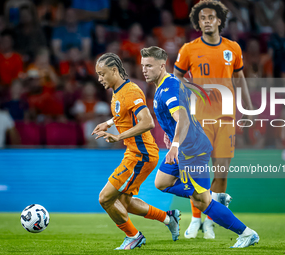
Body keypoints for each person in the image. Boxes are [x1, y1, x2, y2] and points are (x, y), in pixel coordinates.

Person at [140, 46, 259, 248]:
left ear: (162, 65)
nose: (144, 70)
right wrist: (171, 135)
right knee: (161, 182)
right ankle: (211, 194)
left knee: (201, 203)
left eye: (149, 66)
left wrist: (175, 144)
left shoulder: (168, 88)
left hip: (192, 150)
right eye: (143, 65)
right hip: (186, 146)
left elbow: (183, 118)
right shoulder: (165, 85)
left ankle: (246, 233)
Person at [173, 0, 253, 239]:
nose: (207, 21)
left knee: (221, 173)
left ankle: (210, 221)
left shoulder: (233, 48)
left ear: (219, 21)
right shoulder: (188, 49)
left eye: (211, 17)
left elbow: (239, 79)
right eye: (202, 18)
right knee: (195, 173)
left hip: (226, 119)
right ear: (198, 23)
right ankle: (195, 220)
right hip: (198, 120)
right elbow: (176, 78)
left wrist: (248, 105)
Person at [91, 53, 180, 250]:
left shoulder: (130, 91)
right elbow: (123, 114)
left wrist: (118, 137)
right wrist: (107, 123)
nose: (99, 79)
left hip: (141, 154)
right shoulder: (118, 91)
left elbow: (147, 121)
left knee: (105, 198)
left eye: (102, 74)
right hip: (135, 152)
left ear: (114, 70)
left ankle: (134, 236)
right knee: (125, 202)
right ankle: (168, 218)